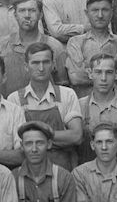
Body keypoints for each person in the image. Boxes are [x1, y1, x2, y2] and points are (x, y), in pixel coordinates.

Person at [7, 43, 83, 171]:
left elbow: (76, 136)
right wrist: (59, 138)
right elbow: (18, 146)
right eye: (35, 63)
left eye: (46, 62)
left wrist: (34, 139)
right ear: (26, 67)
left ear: (53, 65)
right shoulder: (14, 99)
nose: (41, 68)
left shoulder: (67, 94)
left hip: (63, 169)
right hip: (29, 174)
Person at [0, 0, 67, 96]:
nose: (27, 15)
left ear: (40, 15)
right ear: (15, 15)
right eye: (22, 11)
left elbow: (63, 86)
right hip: (9, 109)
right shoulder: (1, 47)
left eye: (32, 10)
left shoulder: (54, 46)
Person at [67, 0, 117, 98]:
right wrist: (114, 68)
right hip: (86, 107)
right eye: (95, 10)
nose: (100, 15)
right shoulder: (76, 42)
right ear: (86, 13)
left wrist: (89, 69)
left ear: (112, 13)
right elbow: (76, 77)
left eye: (105, 10)